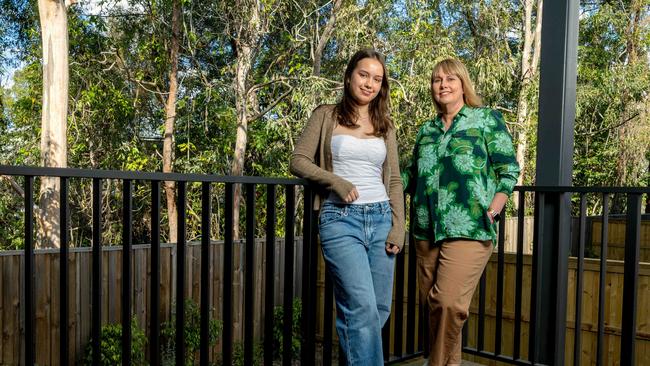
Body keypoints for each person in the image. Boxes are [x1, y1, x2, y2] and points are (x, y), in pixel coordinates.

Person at [290, 48, 405, 365]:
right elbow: (298, 160)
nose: (370, 83)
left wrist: (399, 226)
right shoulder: (326, 115)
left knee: (378, 309)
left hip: (381, 219)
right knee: (361, 306)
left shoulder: (386, 125)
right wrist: (335, 181)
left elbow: (393, 180)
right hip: (341, 221)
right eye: (364, 74)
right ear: (349, 76)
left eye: (377, 79)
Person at [402, 58, 520, 366]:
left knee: (450, 304)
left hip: (471, 226)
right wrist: (373, 184)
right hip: (426, 229)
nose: (442, 85)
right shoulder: (426, 130)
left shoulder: (484, 119)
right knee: (434, 307)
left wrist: (493, 209)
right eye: (436, 80)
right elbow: (410, 175)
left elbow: (508, 170)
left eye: (450, 79)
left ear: (462, 84)